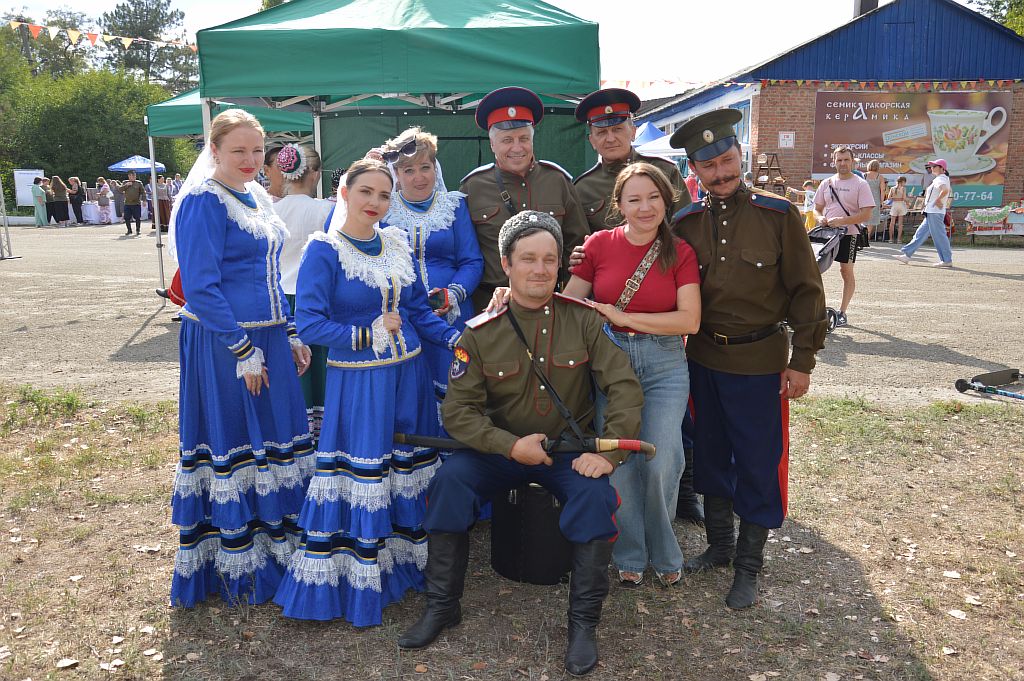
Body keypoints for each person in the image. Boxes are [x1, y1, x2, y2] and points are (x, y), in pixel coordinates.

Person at [398, 211, 644, 677]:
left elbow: (624, 388)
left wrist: (608, 455)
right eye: (528, 258)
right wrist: (510, 446)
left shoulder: (584, 321)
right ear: (506, 264)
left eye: (549, 259)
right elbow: (458, 412)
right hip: (498, 451)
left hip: (566, 452)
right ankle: (442, 605)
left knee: (596, 498)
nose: (540, 269)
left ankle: (583, 624)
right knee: (450, 483)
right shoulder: (479, 332)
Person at [274, 158, 462, 627]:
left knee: (406, 465)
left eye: (384, 194)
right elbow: (310, 323)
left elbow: (417, 310)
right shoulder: (325, 250)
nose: (375, 202)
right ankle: (362, 571)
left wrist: (456, 340)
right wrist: (367, 332)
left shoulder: (395, 242)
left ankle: (405, 560)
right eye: (366, 192)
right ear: (344, 193)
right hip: (360, 382)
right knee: (368, 468)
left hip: (410, 376)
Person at [668, 109, 826, 610]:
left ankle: (749, 566)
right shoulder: (685, 224)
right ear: (694, 169)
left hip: (761, 364)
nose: (721, 172)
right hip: (703, 360)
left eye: (727, 160)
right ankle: (720, 545)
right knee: (711, 454)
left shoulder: (778, 215)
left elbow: (807, 291)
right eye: (708, 165)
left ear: (741, 155)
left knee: (758, 463)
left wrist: (803, 360)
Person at [168, 109, 314, 608]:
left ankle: (276, 545)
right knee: (234, 436)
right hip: (223, 341)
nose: (250, 159)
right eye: (238, 150)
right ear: (214, 150)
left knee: (273, 435)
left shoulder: (256, 196)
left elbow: (272, 274)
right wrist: (243, 349)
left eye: (256, 150)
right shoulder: (203, 202)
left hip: (267, 334)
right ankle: (236, 558)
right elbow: (201, 287)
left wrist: (288, 330)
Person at [555, 162, 700, 587]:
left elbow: (689, 320)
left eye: (653, 197)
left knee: (662, 458)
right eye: (634, 199)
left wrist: (624, 316)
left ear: (667, 201)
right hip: (611, 362)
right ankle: (630, 553)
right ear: (619, 204)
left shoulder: (680, 251)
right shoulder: (598, 245)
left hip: (664, 363)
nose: (645, 207)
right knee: (617, 460)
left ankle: (664, 549)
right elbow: (570, 305)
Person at [380, 127, 484, 418]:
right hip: (403, 317)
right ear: (396, 174)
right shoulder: (384, 209)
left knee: (452, 390)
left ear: (435, 167)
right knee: (409, 393)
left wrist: (452, 294)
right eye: (409, 170)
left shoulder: (454, 205)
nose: (419, 177)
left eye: (425, 167)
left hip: (451, 315)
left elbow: (472, 261)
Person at [460, 86, 589, 312]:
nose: (517, 147)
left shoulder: (557, 180)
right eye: (507, 140)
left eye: (523, 138)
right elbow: (464, 254)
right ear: (492, 144)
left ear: (532, 140)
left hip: (550, 302)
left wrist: (567, 302)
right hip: (493, 306)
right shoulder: (473, 187)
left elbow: (577, 247)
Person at [273, 143, 334, 441]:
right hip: (315, 298)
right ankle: (322, 434)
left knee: (290, 371)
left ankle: (292, 432)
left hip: (280, 297)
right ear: (315, 173)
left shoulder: (271, 212)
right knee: (318, 369)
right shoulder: (327, 210)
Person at [571, 88, 690, 233]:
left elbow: (687, 228)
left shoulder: (665, 171)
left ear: (633, 132)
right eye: (601, 132)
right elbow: (581, 240)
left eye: (617, 129)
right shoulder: (583, 188)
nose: (610, 139)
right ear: (592, 141)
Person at [813, 146, 874, 329]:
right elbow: (816, 209)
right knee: (814, 270)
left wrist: (842, 221)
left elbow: (866, 215)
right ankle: (815, 308)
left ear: (852, 161)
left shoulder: (861, 184)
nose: (843, 163)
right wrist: (820, 218)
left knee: (846, 272)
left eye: (846, 160)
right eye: (839, 160)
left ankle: (842, 312)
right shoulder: (827, 183)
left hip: (849, 234)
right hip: (827, 234)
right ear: (834, 162)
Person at [896, 159, 953, 268]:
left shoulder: (940, 178)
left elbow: (945, 190)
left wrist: (938, 200)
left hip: (934, 212)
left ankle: (947, 260)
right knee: (920, 233)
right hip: (931, 211)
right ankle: (907, 255)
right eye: (931, 166)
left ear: (942, 168)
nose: (932, 168)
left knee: (939, 236)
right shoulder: (940, 178)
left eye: (934, 166)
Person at [863, 160, 887, 241]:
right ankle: (866, 239)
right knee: (871, 221)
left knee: (862, 219)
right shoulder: (880, 177)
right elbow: (882, 190)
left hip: (864, 200)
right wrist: (882, 202)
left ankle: (860, 238)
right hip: (875, 201)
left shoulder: (864, 175)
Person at [115, 171, 144, 235]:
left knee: (137, 217)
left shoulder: (139, 183)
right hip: (127, 203)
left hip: (136, 203)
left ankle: (138, 230)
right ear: (129, 176)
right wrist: (126, 185)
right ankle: (129, 230)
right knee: (126, 217)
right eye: (131, 176)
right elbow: (120, 189)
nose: (133, 177)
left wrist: (144, 200)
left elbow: (143, 192)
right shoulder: (125, 182)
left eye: (134, 176)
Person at [886, 176, 909, 244]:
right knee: (900, 224)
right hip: (901, 205)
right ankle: (899, 239)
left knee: (892, 223)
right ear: (902, 182)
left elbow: (889, 198)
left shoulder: (892, 188)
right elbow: (904, 198)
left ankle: (890, 239)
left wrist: (895, 198)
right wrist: (907, 202)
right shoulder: (903, 188)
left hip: (894, 205)